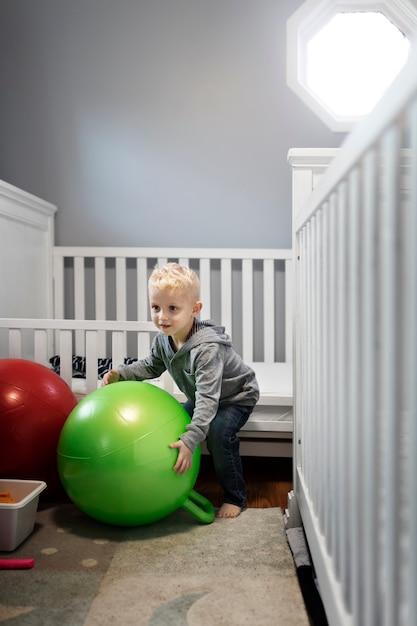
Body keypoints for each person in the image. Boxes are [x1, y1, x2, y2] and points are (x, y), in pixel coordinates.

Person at [102, 262, 259, 518]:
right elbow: (151, 366)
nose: (162, 317)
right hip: (203, 396)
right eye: (156, 307)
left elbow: (209, 399)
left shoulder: (206, 349)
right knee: (175, 425)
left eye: (172, 308)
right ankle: (176, 483)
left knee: (218, 434)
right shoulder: (164, 339)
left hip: (235, 396)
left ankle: (235, 497)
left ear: (194, 309)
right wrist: (122, 374)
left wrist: (191, 439)